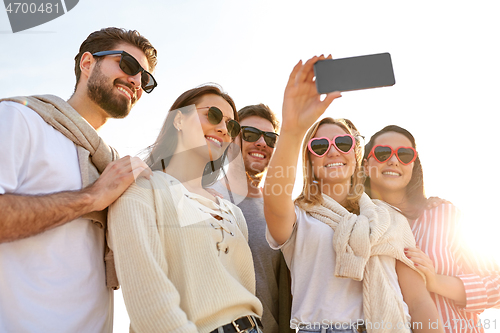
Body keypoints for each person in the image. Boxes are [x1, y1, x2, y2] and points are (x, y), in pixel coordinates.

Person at [263, 55, 444, 333]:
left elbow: (419, 302)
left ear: (356, 154)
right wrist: (292, 129)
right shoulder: (299, 217)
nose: (333, 150)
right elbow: (274, 197)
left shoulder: (390, 220)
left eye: (343, 142)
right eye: (320, 145)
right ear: (310, 160)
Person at [0, 27, 157, 332]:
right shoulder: (19, 118)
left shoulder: (112, 166)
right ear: (88, 63)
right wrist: (91, 198)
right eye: (128, 65)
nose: (137, 81)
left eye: (146, 79)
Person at [108, 84, 264, 333]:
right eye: (212, 115)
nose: (224, 129)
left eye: (232, 126)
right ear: (179, 119)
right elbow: (147, 297)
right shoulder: (141, 190)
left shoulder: (232, 212)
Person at [363, 125, 500, 333]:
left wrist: (436, 282)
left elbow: (497, 287)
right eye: (382, 153)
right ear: (365, 165)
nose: (393, 160)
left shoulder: (444, 215)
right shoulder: (357, 224)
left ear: (413, 165)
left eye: (404, 154)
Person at [210, 104, 294, 333]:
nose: (261, 143)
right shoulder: (204, 198)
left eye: (270, 138)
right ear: (232, 139)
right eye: (250, 134)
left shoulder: (283, 211)